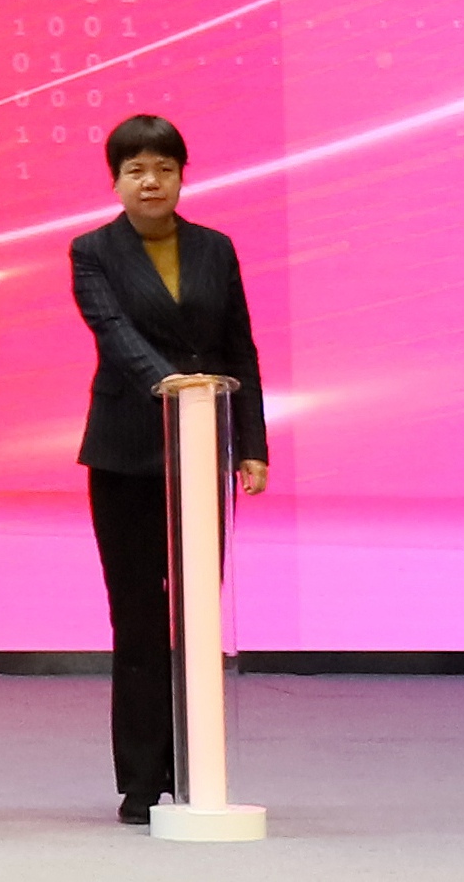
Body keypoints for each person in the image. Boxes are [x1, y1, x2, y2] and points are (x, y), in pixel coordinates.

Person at [69, 114, 268, 825]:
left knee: (195, 613)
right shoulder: (91, 250)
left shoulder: (215, 247)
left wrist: (250, 442)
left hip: (202, 453)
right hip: (125, 454)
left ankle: (194, 765)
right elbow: (115, 333)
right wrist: (173, 385)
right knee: (137, 617)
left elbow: (239, 346)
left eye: (163, 168)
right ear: (116, 181)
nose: (149, 181)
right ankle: (139, 776)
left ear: (182, 175)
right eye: (134, 170)